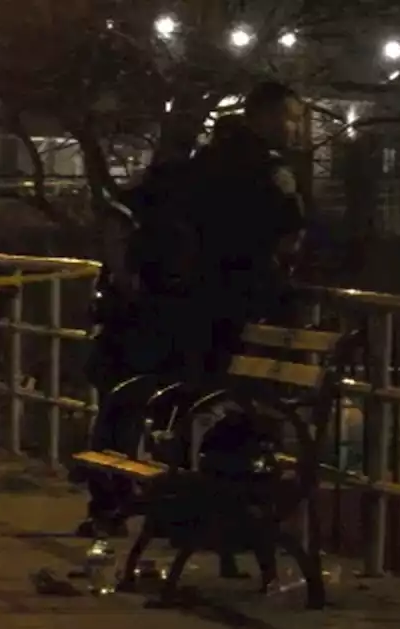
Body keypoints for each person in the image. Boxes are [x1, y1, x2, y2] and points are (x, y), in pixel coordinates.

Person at [77, 80, 308, 538]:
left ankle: (124, 503)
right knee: (208, 405)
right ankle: (207, 510)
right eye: (289, 117)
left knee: (147, 403)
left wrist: (126, 273)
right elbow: (290, 234)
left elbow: (121, 208)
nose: (294, 128)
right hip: (226, 314)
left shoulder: (194, 165)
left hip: (170, 311)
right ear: (262, 117)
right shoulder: (265, 171)